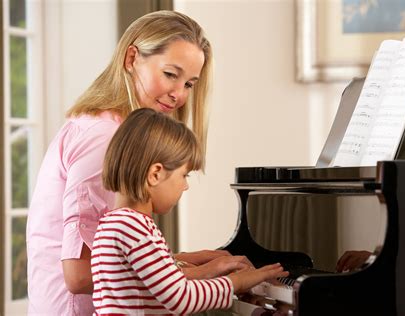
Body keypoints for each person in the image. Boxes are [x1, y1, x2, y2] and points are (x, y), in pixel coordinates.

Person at [26, 10, 250, 315]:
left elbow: (109, 255)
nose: (178, 95)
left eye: (189, 84)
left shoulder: (110, 127)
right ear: (132, 58)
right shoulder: (105, 137)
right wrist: (202, 275)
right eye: (171, 75)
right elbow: (79, 276)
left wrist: (181, 259)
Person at [92, 108, 288, 314]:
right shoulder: (134, 227)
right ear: (155, 174)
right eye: (184, 175)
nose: (186, 186)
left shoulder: (115, 223)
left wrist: (211, 268)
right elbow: (181, 297)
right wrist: (237, 282)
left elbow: (162, 282)